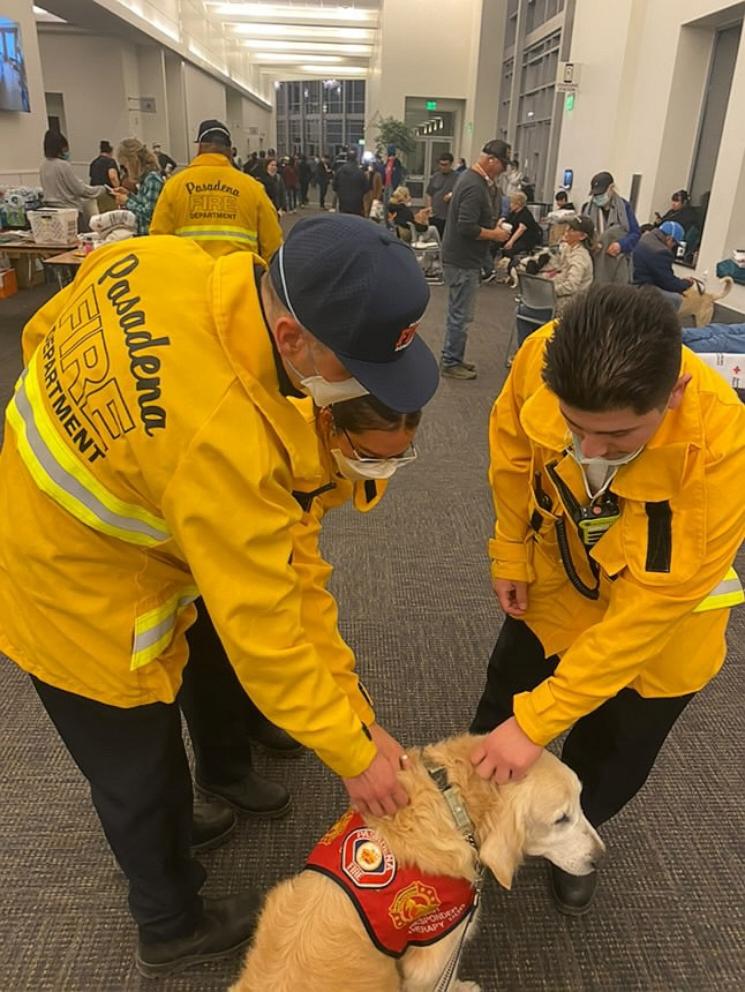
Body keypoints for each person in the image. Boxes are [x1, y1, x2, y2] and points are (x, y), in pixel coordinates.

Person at [0, 214, 439, 976]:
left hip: (80, 510)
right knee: (136, 763)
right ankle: (170, 923)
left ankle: (182, 815)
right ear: (290, 335)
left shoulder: (161, 259)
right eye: (356, 366)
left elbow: (40, 334)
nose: (363, 390)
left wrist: (116, 446)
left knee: (175, 715)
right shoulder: (222, 441)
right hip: (69, 583)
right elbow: (269, 626)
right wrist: (355, 751)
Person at [470, 284, 744, 918]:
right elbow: (511, 452)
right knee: (503, 702)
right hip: (560, 587)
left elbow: (643, 622)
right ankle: (477, 823)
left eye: (617, 436)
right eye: (575, 428)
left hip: (660, 639)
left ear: (672, 393)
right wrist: (511, 550)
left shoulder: (721, 457)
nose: (589, 452)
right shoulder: (547, 352)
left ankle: (570, 833)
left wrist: (538, 726)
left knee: (613, 751)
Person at [149, 119, 282, 261]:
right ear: (230, 151)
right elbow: (272, 245)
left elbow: (158, 241)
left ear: (199, 148)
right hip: (239, 278)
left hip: (189, 278)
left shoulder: (174, 186)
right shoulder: (253, 188)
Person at [439, 139, 511, 380]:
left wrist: (492, 225)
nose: (503, 170)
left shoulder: (472, 181)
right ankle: (450, 361)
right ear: (491, 160)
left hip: (462, 258)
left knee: (459, 312)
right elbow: (466, 227)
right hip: (462, 260)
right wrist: (496, 234)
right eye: (503, 164)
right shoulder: (473, 184)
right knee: (461, 314)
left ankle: (454, 357)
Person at [581, 171, 640, 284]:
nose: (598, 197)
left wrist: (621, 245)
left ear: (611, 188)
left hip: (617, 261)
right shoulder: (587, 209)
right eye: (595, 195)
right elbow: (582, 235)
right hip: (595, 262)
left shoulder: (624, 207)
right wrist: (592, 244)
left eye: (601, 194)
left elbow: (635, 233)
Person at [39, 130, 104, 232]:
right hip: (70, 214)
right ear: (60, 148)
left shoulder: (43, 166)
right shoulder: (63, 165)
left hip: (52, 214)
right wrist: (101, 190)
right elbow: (79, 189)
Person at [534, 215, 595, 316]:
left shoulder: (580, 257)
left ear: (582, 236)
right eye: (568, 227)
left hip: (572, 303)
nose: (567, 231)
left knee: (527, 310)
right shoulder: (567, 247)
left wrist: (549, 291)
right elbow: (555, 265)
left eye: (572, 229)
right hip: (558, 295)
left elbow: (571, 286)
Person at [632, 220, 694, 309]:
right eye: (675, 244)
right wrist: (686, 283)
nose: (673, 247)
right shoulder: (661, 251)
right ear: (669, 239)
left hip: (630, 281)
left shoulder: (645, 238)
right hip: (640, 288)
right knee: (675, 299)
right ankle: (662, 322)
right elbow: (669, 283)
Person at [114, 139, 164, 236]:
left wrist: (127, 201)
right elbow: (143, 204)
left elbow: (148, 215)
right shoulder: (145, 180)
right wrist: (129, 195)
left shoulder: (152, 179)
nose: (125, 171)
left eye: (125, 166)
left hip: (149, 237)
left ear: (132, 162)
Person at [499, 191, 543, 262]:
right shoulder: (513, 213)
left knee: (508, 250)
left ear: (518, 204)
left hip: (526, 240)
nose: (510, 205)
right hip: (517, 237)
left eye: (512, 203)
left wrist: (510, 242)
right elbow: (507, 222)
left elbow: (521, 229)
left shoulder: (525, 214)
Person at [425, 152, 459, 238]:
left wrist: (451, 195)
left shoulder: (457, 177)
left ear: (451, 164)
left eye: (445, 165)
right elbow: (429, 193)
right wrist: (429, 208)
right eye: (441, 164)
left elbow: (461, 192)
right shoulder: (436, 176)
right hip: (435, 214)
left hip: (448, 216)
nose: (443, 167)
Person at [332, 150, 367, 217]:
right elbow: (366, 188)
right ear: (356, 158)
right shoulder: (360, 172)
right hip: (357, 204)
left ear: (346, 158)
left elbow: (334, 186)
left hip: (343, 203)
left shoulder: (340, 171)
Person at [89, 140, 120, 212]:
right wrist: (118, 189)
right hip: (108, 194)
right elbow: (112, 176)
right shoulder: (110, 161)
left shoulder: (94, 162)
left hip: (96, 194)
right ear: (111, 152)